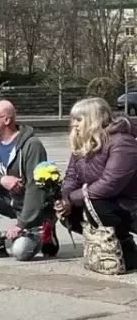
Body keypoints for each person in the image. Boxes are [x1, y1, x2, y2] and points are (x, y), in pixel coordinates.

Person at [55, 97, 137, 270]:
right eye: (73, 120)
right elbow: (71, 176)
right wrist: (65, 199)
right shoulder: (83, 142)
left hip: (129, 205)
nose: (74, 124)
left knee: (93, 201)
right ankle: (113, 247)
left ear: (93, 120)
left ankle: (124, 246)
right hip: (106, 202)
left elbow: (110, 184)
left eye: (79, 120)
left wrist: (73, 198)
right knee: (66, 209)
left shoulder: (121, 142)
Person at [0, 99, 53, 261]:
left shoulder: (32, 145)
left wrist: (21, 225)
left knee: (20, 252)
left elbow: (37, 189)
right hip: (8, 201)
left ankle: (46, 233)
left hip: (32, 208)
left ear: (6, 120)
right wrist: (0, 180)